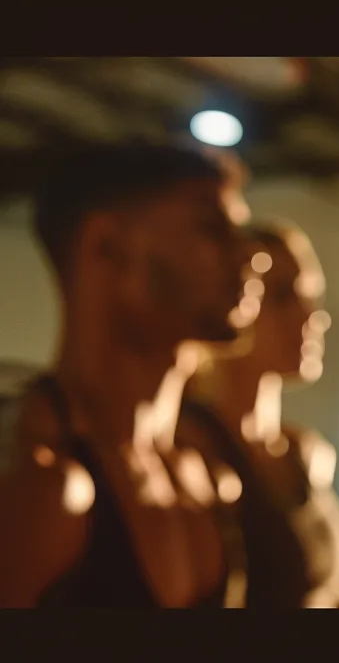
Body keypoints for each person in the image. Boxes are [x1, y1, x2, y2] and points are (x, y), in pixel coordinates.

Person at [0, 145, 252, 607]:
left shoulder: (207, 479)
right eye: (211, 230)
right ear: (106, 247)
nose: (250, 257)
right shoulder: (40, 486)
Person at [177, 222, 339, 608]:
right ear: (235, 301)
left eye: (312, 296)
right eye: (282, 296)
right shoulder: (194, 451)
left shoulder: (304, 453)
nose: (310, 315)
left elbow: (336, 589)